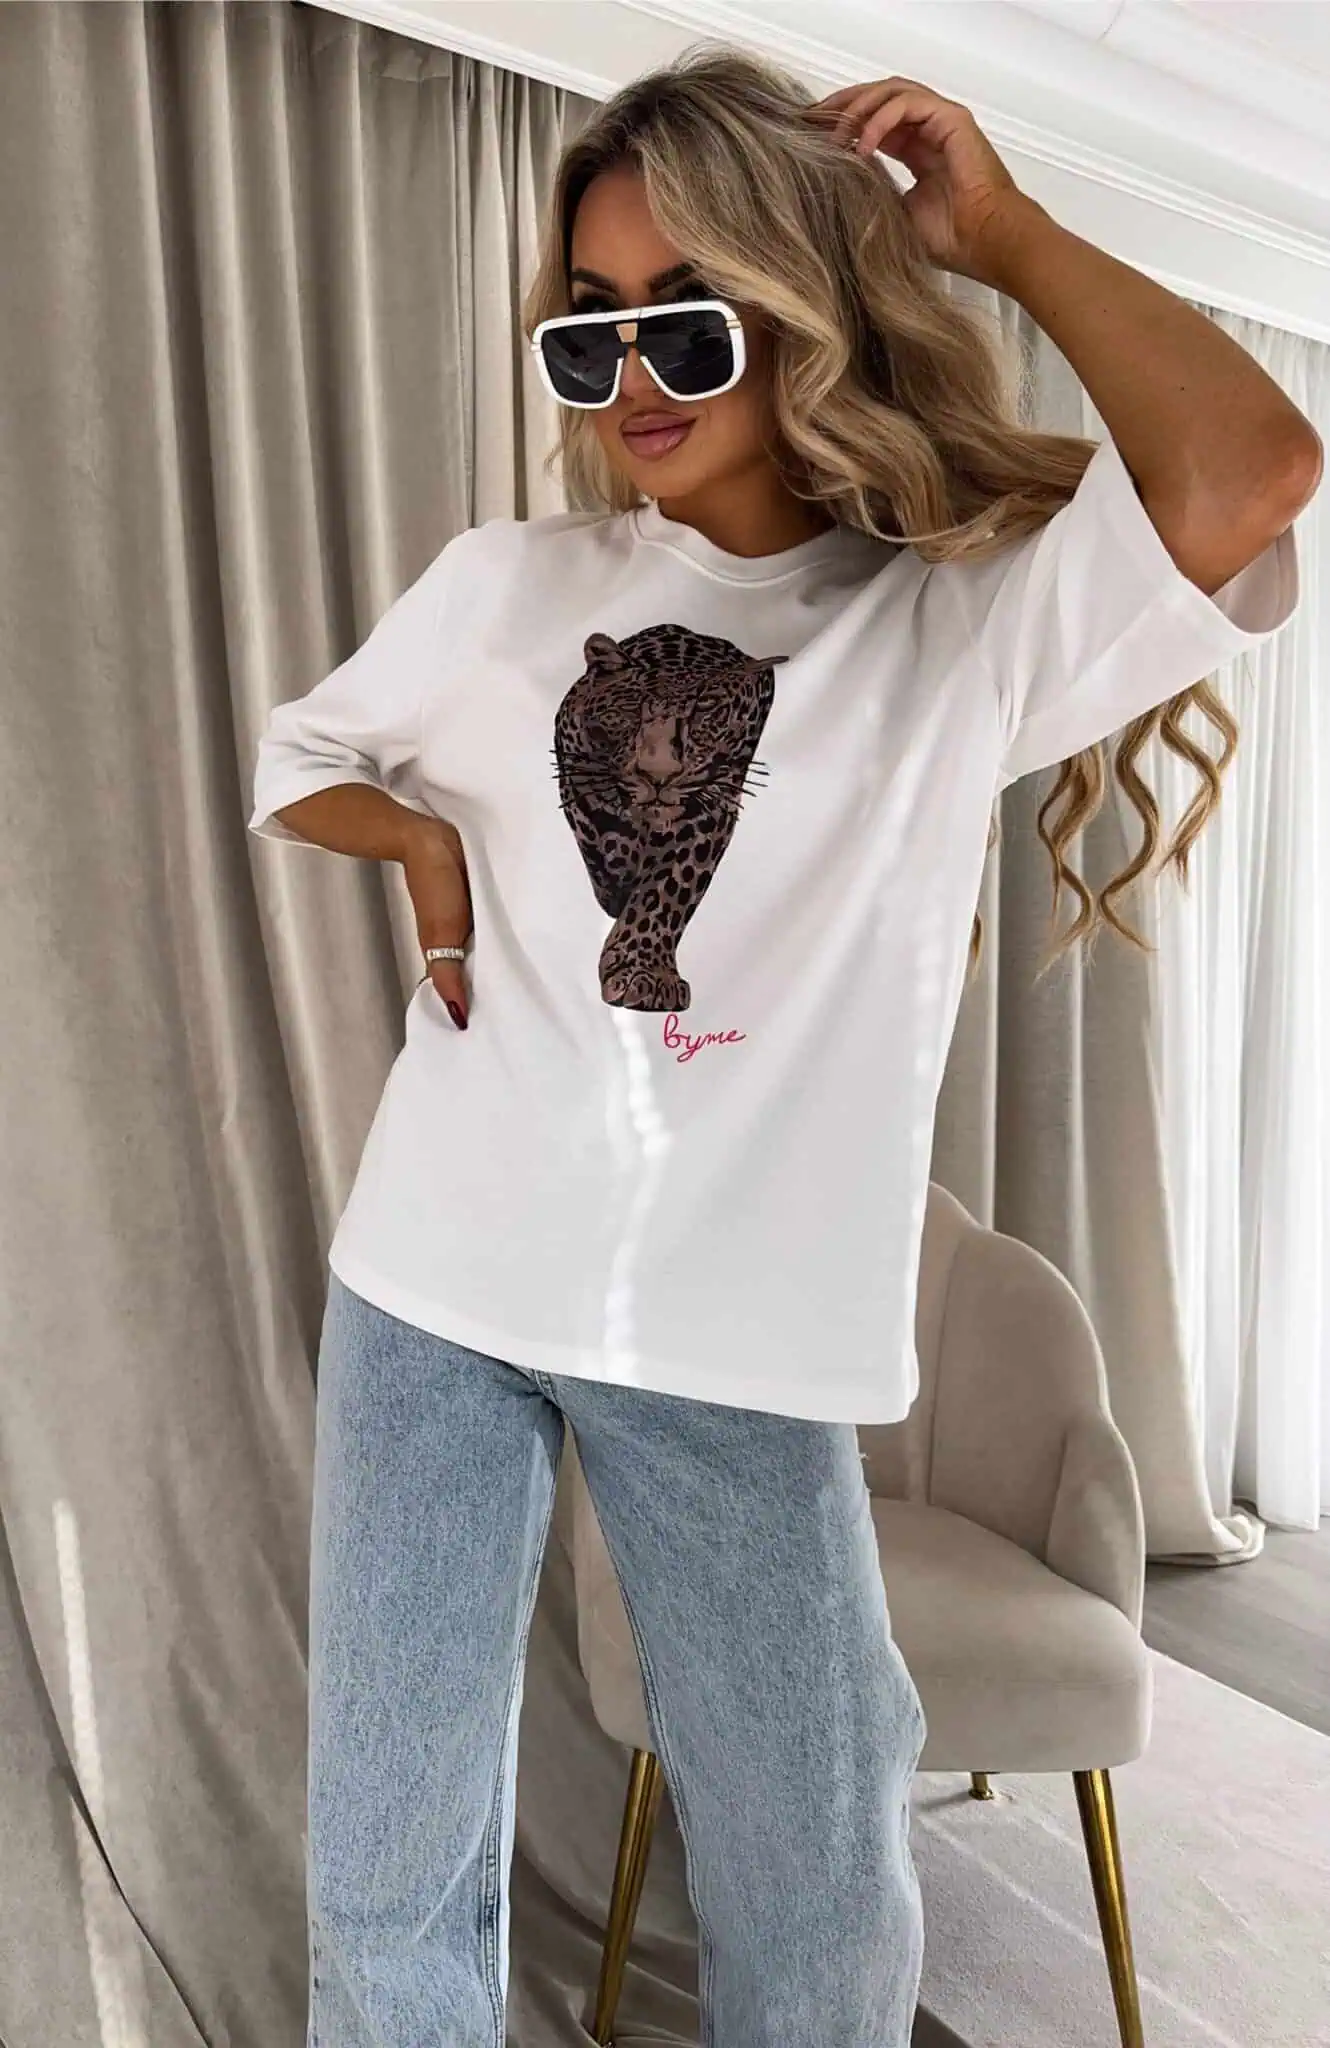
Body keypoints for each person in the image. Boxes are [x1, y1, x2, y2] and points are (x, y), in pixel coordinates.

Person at [247, 46, 1316, 2048]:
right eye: (587, 328)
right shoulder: (507, 589)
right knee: (388, 1876)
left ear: (802, 306)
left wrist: (1004, 233)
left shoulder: (949, 629)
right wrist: (422, 852)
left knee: (817, 1882)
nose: (630, 376)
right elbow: (297, 755)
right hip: (434, 1282)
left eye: (687, 316)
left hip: (727, 1338)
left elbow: (1248, 473)